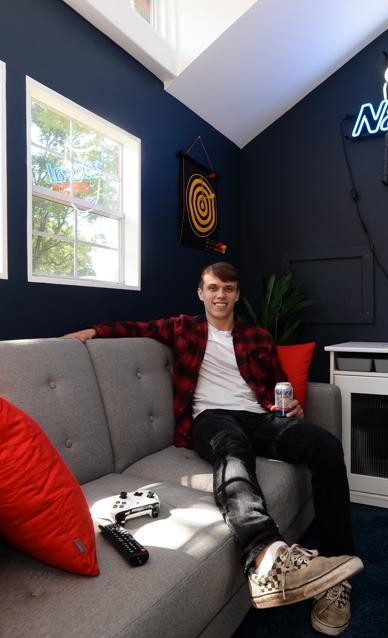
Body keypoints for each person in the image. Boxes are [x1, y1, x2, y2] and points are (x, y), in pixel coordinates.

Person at [64, 261, 362, 636]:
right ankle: (268, 555)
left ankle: (337, 573)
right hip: (210, 418)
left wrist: (290, 407)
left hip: (258, 416)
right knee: (233, 452)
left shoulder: (257, 336)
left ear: (237, 294)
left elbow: (276, 384)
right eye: (213, 288)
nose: (220, 295)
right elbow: (134, 328)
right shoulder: (183, 328)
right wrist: (92, 332)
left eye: (228, 288)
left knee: (325, 444)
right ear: (201, 293)